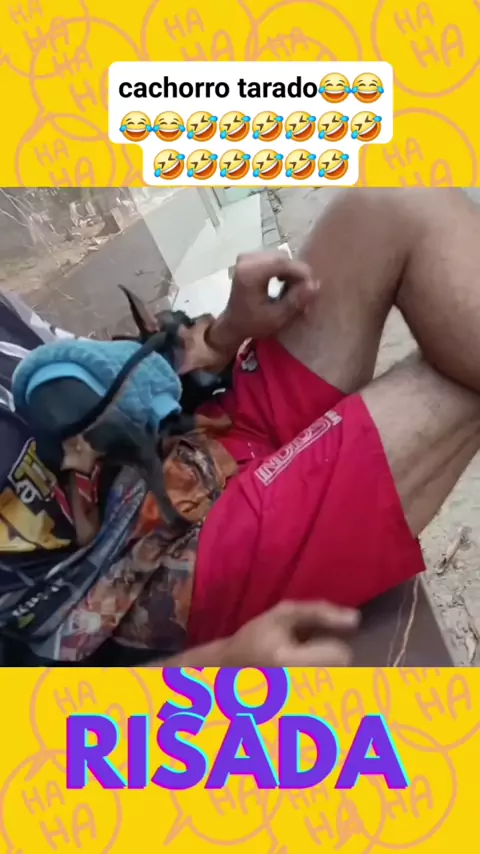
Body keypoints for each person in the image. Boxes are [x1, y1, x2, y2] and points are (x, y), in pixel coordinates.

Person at [11, 187, 480, 667]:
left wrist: (221, 335)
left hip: (192, 442)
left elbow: (108, 385)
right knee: (453, 386)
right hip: (145, 583)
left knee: (388, 208)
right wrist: (217, 662)